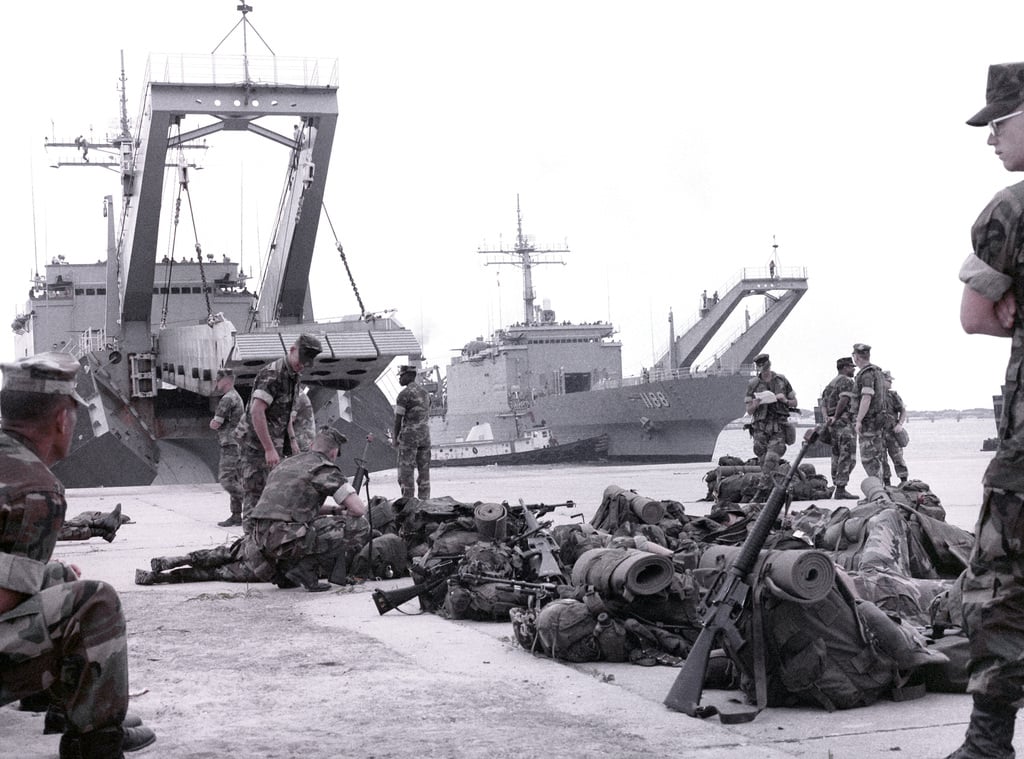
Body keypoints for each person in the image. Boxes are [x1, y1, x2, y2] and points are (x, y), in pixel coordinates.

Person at [0, 352, 155, 757]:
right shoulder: (35, 487)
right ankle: (96, 743)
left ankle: (61, 706)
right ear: (61, 420)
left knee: (57, 578)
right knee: (93, 602)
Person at [948, 61, 1024, 759]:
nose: (990, 138)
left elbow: (975, 317)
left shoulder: (1011, 209)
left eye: (999, 123)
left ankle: (987, 744)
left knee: (999, 590)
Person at [250, 426, 368, 591]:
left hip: (258, 542)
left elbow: (294, 508)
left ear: (312, 445)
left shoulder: (285, 464)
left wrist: (335, 510)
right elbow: (358, 510)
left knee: (304, 527)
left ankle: (285, 572)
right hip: (285, 540)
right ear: (334, 453)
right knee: (359, 525)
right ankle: (305, 568)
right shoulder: (324, 469)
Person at [233, 334, 322, 532]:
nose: (303, 365)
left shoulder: (294, 376)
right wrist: (269, 449)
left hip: (274, 441)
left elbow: (285, 414)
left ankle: (263, 539)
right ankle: (249, 545)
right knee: (254, 495)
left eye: (307, 363)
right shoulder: (273, 375)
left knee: (271, 492)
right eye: (301, 360)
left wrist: (293, 441)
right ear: (292, 350)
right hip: (255, 445)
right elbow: (257, 411)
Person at [743, 353, 797, 477]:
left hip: (778, 426)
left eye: (765, 366)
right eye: (760, 366)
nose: (764, 369)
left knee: (772, 458)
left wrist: (785, 401)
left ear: (769, 364)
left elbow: (794, 402)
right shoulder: (753, 384)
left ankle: (767, 484)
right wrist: (756, 403)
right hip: (760, 429)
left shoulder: (781, 380)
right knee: (763, 461)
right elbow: (749, 410)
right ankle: (770, 485)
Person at [209, 367, 246, 527]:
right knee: (235, 479)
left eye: (218, 380)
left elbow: (216, 423)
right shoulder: (236, 397)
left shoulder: (227, 399)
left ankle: (254, 504)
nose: (217, 383)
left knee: (226, 479)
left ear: (227, 380)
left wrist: (213, 423)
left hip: (230, 444)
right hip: (237, 443)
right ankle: (236, 515)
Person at [820, 356, 858, 499]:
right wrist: (836, 416)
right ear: (844, 368)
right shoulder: (847, 382)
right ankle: (841, 488)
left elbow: (823, 404)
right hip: (844, 423)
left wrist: (827, 418)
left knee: (836, 455)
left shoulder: (830, 384)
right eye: (851, 367)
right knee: (848, 456)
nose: (853, 369)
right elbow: (844, 399)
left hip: (832, 425)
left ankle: (837, 485)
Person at [393, 364, 431, 499]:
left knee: (406, 472)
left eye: (401, 376)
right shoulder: (425, 393)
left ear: (408, 376)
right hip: (425, 437)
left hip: (410, 438)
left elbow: (398, 419)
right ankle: (425, 501)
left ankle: (408, 503)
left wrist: (394, 439)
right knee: (424, 470)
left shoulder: (404, 395)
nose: (399, 379)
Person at [852, 343, 887, 479]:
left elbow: (866, 397)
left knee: (869, 457)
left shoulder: (866, 374)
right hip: (878, 420)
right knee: (877, 456)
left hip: (869, 421)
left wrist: (859, 420)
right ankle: (879, 490)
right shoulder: (877, 372)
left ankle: (878, 493)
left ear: (857, 357)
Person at [880, 371, 910, 486]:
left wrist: (900, 424)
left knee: (898, 457)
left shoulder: (892, 396)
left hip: (892, 432)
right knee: (882, 460)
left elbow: (902, 410)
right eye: (889, 380)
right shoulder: (873, 396)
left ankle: (904, 481)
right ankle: (886, 483)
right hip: (878, 433)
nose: (891, 382)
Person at [288, 384, 316, 454]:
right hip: (304, 438)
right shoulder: (295, 393)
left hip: (303, 440)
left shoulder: (297, 397)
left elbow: (289, 420)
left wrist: (292, 440)